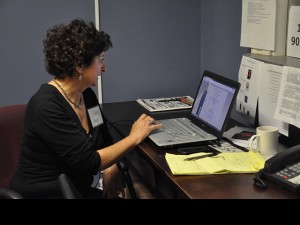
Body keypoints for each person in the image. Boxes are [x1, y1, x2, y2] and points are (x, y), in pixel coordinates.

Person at [10, 19, 162, 199]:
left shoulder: (86, 96)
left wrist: (112, 165)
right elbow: (89, 162)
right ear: (80, 65)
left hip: (74, 190)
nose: (104, 68)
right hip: (46, 194)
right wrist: (134, 137)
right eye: (100, 60)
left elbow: (104, 138)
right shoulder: (46, 106)